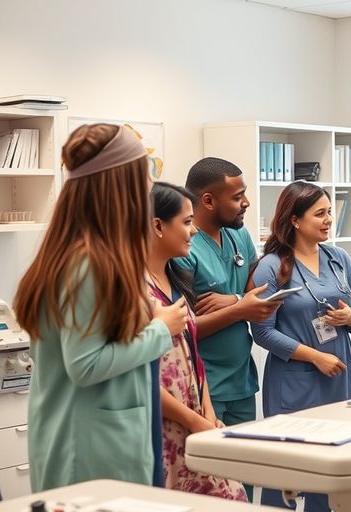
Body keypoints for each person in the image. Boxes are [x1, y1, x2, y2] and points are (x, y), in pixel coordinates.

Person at [13, 123, 188, 491]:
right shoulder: (87, 264)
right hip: (89, 451)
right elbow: (85, 365)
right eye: (144, 177)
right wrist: (160, 330)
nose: (149, 189)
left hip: (108, 440)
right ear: (121, 185)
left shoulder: (96, 256)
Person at [252, 182, 351, 512]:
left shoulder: (339, 257)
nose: (329, 219)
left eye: (330, 211)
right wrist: (314, 356)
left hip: (338, 374)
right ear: (295, 220)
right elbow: (262, 333)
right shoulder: (271, 266)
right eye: (320, 214)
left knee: (329, 468)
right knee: (288, 468)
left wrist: (350, 317)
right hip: (294, 378)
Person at [147, 182, 248, 501]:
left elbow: (192, 355)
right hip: (166, 425)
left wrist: (206, 413)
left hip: (198, 418)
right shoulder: (135, 290)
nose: (193, 232)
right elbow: (141, 374)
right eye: (187, 222)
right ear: (158, 226)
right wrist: (194, 420)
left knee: (233, 497)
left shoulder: (174, 279)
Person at [174, 157, 280, 429]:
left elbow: (257, 288)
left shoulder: (238, 235)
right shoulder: (184, 249)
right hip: (205, 385)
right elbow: (184, 329)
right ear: (208, 201)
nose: (246, 203)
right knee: (208, 468)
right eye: (238, 197)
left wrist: (233, 301)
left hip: (241, 380)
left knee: (243, 465)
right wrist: (240, 310)